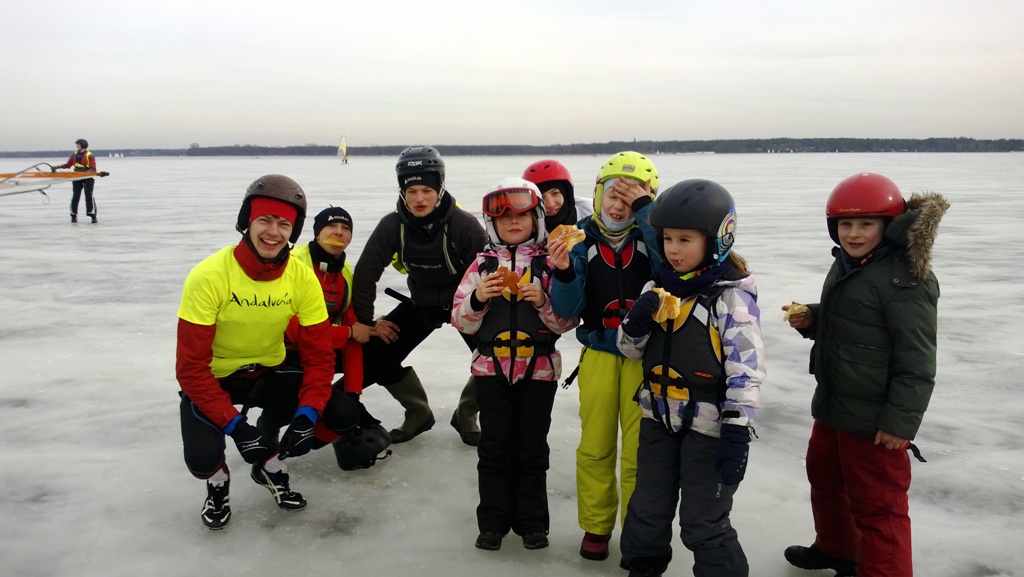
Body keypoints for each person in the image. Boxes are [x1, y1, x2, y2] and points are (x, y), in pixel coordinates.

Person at [783, 173, 947, 577]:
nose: (854, 234)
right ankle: (838, 549)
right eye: (845, 224)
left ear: (888, 226)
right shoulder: (849, 264)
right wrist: (813, 318)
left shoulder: (905, 280)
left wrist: (899, 424)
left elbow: (918, 360)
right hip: (836, 406)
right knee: (825, 481)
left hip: (876, 420)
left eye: (866, 224)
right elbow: (853, 324)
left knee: (880, 508)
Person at [175, 175, 361, 530]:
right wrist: (238, 429)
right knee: (201, 459)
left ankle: (272, 464)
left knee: (342, 413)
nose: (273, 232)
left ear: (293, 231)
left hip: (268, 371)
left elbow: (320, 356)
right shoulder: (209, 276)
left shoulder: (301, 277)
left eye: (284, 224)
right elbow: (190, 369)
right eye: (265, 220)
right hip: (215, 378)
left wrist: (308, 414)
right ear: (247, 221)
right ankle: (217, 482)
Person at [616, 179, 764, 577]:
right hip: (658, 420)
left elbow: (746, 370)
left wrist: (736, 431)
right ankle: (642, 567)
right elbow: (630, 350)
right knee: (647, 507)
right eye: (667, 239)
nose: (673, 250)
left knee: (703, 520)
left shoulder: (729, 299)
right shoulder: (656, 288)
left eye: (685, 240)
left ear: (717, 241)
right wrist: (637, 321)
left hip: (710, 430)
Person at [451, 178, 578, 551]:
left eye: (521, 216)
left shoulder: (549, 264)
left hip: (538, 371)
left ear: (537, 217)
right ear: (492, 224)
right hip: (490, 371)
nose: (512, 224)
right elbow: (460, 320)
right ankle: (492, 524)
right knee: (494, 448)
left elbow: (566, 321)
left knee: (532, 448)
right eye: (504, 219)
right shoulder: (482, 264)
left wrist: (542, 300)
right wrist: (477, 298)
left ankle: (533, 525)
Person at [548, 151, 662, 561]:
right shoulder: (577, 239)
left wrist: (648, 217)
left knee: (638, 451)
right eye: (612, 195)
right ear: (597, 194)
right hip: (597, 353)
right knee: (595, 446)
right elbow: (567, 308)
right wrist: (561, 272)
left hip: (645, 360)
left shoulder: (655, 238)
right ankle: (596, 526)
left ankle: (637, 528)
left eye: (632, 199)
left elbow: (670, 273)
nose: (619, 206)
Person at [351, 145, 488, 444]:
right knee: (376, 356)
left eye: (426, 189)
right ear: (402, 191)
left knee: (495, 358)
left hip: (464, 305)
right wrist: (365, 323)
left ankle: (466, 413)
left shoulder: (464, 225)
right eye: (411, 191)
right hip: (420, 304)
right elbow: (364, 276)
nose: (419, 199)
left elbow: (489, 273)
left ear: (440, 188)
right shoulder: (392, 225)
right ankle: (418, 412)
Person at [271, 206, 390, 471]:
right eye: (331, 227)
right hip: (275, 353)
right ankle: (269, 433)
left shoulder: (344, 274)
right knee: (286, 399)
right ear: (316, 233)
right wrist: (348, 332)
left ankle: (311, 436)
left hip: (315, 353)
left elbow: (355, 339)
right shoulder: (293, 264)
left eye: (346, 228)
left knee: (374, 357)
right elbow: (293, 330)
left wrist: (353, 394)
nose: (339, 232)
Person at [522, 159, 593, 231]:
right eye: (541, 197)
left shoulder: (592, 211)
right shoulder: (525, 228)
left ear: (567, 193)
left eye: (555, 193)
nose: (550, 204)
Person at [56, 138, 98, 223]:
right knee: (76, 196)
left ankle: (92, 215)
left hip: (87, 177)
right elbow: (68, 165)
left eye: (78, 145)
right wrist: (57, 167)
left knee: (88, 195)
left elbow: (93, 168)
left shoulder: (90, 155)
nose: (77, 146)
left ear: (82, 145)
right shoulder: (75, 154)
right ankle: (73, 215)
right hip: (77, 177)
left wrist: (87, 172)